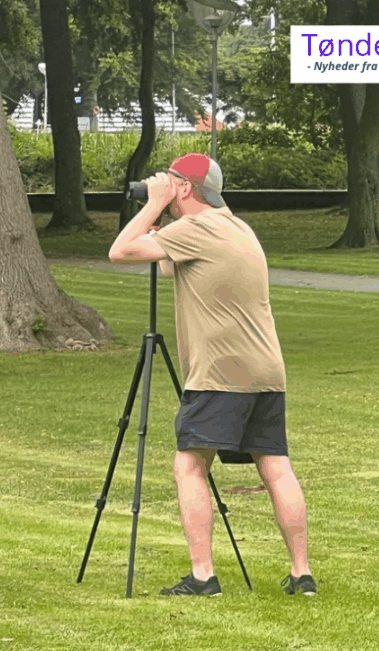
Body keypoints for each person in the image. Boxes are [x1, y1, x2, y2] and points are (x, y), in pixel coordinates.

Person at [108, 153, 315, 597]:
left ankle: (203, 576)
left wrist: (151, 204)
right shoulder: (237, 228)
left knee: (189, 465)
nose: (163, 186)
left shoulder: (195, 229)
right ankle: (302, 574)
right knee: (275, 467)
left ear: (185, 187)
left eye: (169, 182)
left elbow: (120, 251)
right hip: (266, 370)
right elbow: (171, 262)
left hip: (219, 373)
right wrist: (160, 226)